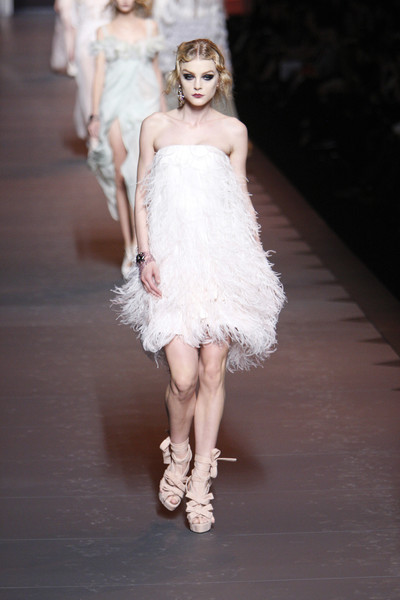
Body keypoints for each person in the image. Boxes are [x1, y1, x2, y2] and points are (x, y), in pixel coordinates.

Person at [115, 39, 285, 533]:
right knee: (183, 378)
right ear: (177, 77)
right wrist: (145, 255)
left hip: (220, 261)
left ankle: (200, 484)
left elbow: (240, 195)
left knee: (213, 372)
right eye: (189, 76)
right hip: (171, 262)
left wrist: (254, 259)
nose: (197, 85)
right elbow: (141, 193)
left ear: (220, 78)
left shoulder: (233, 131)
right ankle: (179, 453)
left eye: (207, 76)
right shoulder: (155, 126)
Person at [87, 0, 165, 278]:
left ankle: (148, 241)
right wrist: (95, 115)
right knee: (122, 174)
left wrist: (164, 113)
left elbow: (156, 70)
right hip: (115, 106)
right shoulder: (104, 31)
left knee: (145, 175)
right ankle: (130, 245)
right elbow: (99, 75)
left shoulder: (150, 27)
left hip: (147, 104)